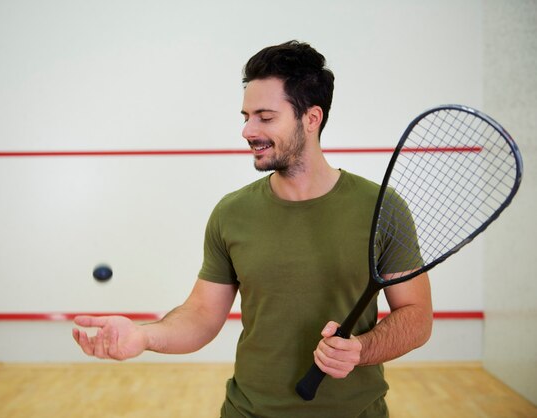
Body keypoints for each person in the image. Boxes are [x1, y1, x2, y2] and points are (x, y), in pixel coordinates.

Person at [72, 40, 433, 417]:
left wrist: (362, 350)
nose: (247, 130)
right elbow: (201, 315)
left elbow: (416, 316)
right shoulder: (232, 213)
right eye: (245, 116)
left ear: (311, 118)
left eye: (265, 116)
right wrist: (143, 335)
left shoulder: (382, 208)